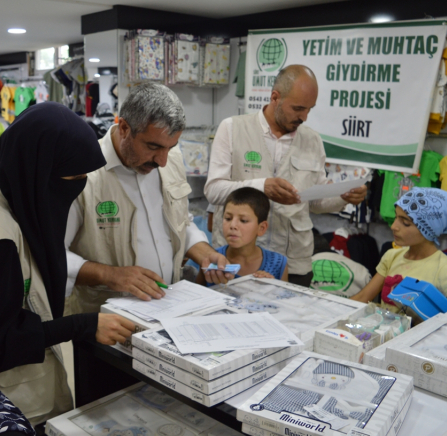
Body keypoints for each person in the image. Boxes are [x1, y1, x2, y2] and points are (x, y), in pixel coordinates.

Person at [0, 102, 135, 426]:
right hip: (17, 402)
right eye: (73, 178)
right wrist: (86, 325)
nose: (77, 188)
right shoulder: (1, 239)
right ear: (41, 170)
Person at [65, 83, 231, 315]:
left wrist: (200, 249)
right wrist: (109, 275)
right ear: (124, 127)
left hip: (168, 309)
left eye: (170, 147)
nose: (162, 160)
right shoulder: (84, 173)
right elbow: (56, 257)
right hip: (104, 322)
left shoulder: (170, 160)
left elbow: (180, 220)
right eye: (153, 146)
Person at [205, 65, 367, 287]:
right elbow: (213, 190)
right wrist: (262, 186)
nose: (304, 117)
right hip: (238, 259)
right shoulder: (232, 128)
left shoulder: (312, 140)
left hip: (294, 261)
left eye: (310, 109)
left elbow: (316, 202)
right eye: (298, 108)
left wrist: (343, 197)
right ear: (275, 97)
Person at [350, 188, 447, 312]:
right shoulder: (392, 256)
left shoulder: (443, 267)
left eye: (405, 223)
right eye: (395, 218)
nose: (394, 226)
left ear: (429, 230)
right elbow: (363, 297)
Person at [205, 187, 288, 284]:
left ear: (261, 228)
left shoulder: (278, 263)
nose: (233, 225)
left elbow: (282, 298)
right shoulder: (212, 259)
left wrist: (271, 287)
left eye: (243, 220)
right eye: (228, 218)